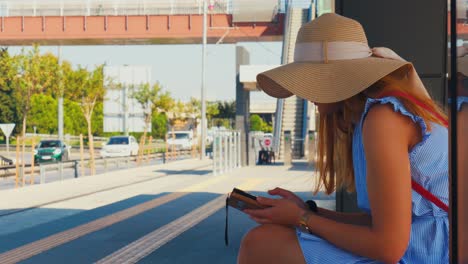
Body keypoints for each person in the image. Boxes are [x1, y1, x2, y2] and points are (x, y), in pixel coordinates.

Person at [237, 13, 449, 263]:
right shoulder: (375, 116)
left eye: (310, 79)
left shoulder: (383, 120)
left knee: (262, 244)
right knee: (266, 240)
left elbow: (388, 247)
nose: (305, 93)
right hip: (423, 246)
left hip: (431, 254)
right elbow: (379, 224)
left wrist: (302, 219)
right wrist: (307, 212)